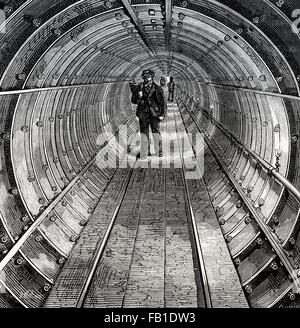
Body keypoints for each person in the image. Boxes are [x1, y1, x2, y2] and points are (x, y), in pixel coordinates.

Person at [131, 69, 166, 160]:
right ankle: (144, 153)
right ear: (143, 78)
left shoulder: (158, 88)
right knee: (144, 134)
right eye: (145, 77)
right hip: (143, 114)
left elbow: (163, 103)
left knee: (156, 132)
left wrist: (162, 114)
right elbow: (133, 101)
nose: (147, 79)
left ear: (152, 77)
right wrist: (138, 96)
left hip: (154, 114)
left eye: (149, 77)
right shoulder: (139, 87)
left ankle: (159, 151)